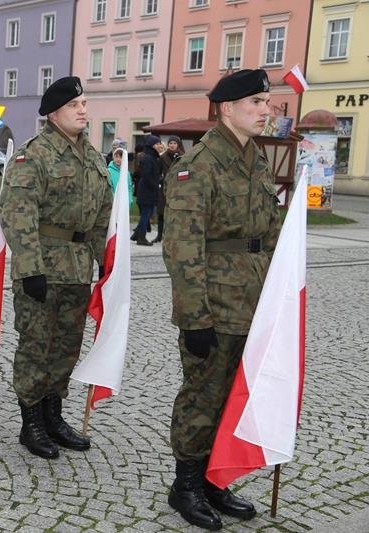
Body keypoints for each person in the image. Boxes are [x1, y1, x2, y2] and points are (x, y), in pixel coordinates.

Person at [163, 68, 281, 530]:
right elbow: (182, 248)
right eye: (256, 102)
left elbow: (267, 235)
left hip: (252, 301)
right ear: (227, 108)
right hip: (214, 303)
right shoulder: (199, 165)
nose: (265, 110)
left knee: (234, 396)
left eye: (267, 103)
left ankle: (214, 479)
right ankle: (186, 485)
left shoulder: (256, 160)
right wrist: (195, 318)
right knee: (202, 395)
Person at [0, 76, 112, 459]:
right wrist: (30, 269)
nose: (83, 110)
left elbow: (102, 216)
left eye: (84, 103)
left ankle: (54, 415)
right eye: (74, 105)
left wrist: (105, 264)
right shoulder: (34, 155)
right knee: (36, 346)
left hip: (77, 269)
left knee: (65, 346)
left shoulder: (93, 157)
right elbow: (17, 213)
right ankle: (31, 422)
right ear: (53, 112)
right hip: (43, 268)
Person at [155, 135, 184, 243]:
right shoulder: (163, 157)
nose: (172, 145)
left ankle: (173, 236)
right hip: (165, 188)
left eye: (174, 143)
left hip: (178, 188)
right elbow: (158, 171)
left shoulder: (183, 157)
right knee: (161, 212)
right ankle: (159, 235)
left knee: (176, 212)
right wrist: (161, 179)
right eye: (170, 143)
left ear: (178, 145)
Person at [132, 134, 161, 246]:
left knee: (146, 214)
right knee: (146, 214)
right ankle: (141, 238)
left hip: (147, 189)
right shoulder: (148, 157)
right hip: (147, 190)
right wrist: (155, 185)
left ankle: (136, 235)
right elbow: (147, 175)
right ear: (151, 145)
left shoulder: (151, 156)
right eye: (157, 143)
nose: (159, 145)